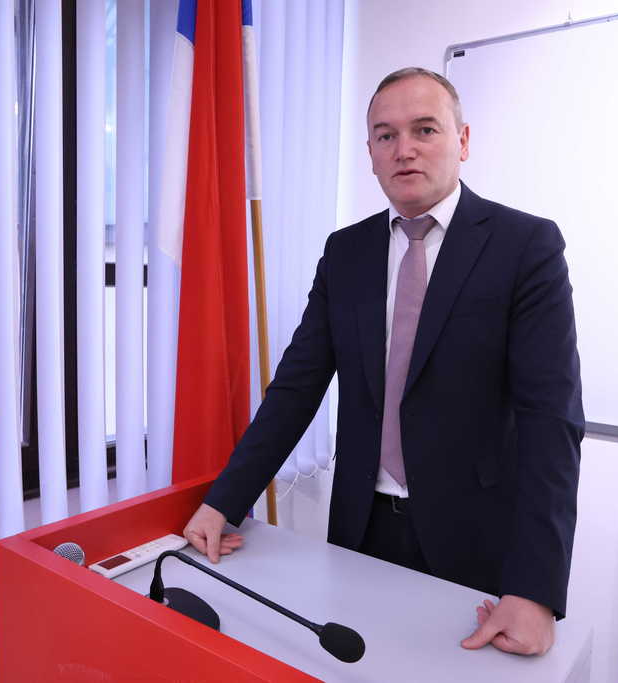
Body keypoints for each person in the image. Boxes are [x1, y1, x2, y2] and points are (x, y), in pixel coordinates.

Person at [182, 67, 584, 657]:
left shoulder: (525, 246)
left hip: (474, 539)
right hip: (359, 529)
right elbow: (296, 388)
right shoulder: (346, 252)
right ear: (370, 152)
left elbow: (552, 420)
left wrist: (536, 589)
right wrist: (225, 500)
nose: (404, 149)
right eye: (386, 135)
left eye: (425, 129)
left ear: (463, 141)